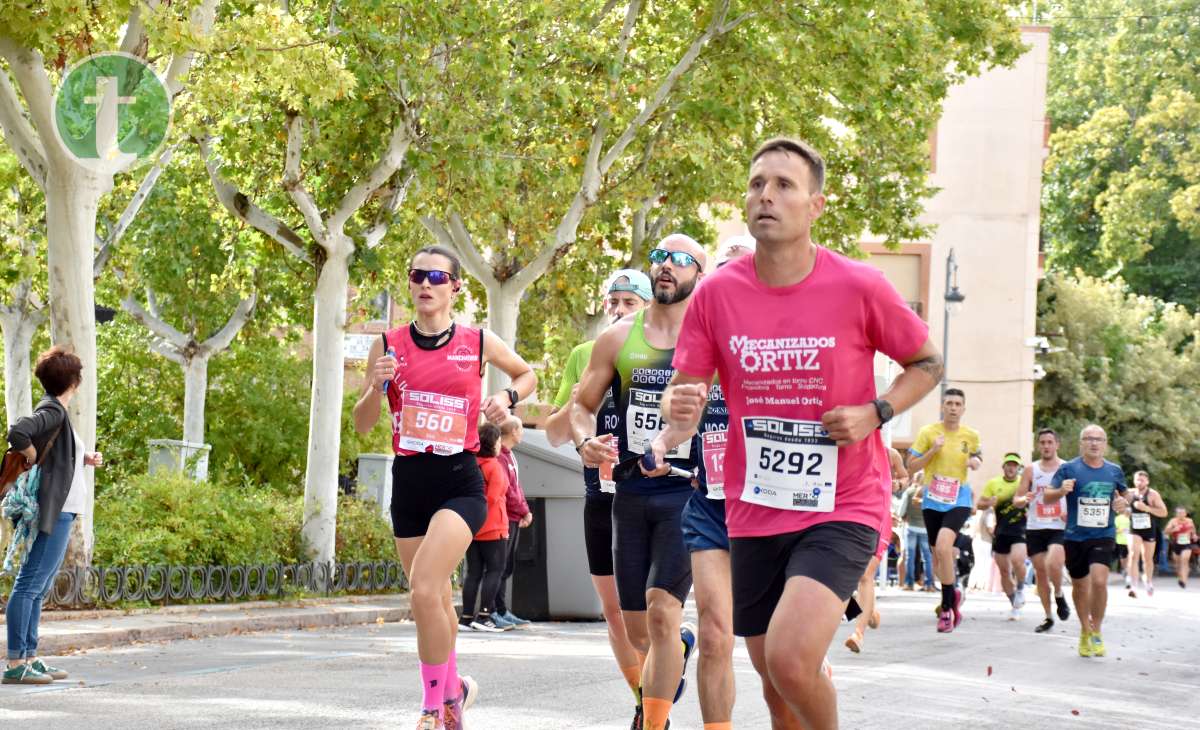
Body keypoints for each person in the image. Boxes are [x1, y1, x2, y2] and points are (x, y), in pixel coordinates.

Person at [660, 137, 942, 730]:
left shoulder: (858, 285)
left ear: (815, 205)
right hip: (755, 505)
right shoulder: (716, 293)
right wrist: (676, 414)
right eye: (758, 183)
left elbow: (928, 363)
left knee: (790, 661)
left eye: (784, 185)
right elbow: (684, 397)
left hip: (843, 502)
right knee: (774, 684)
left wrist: (877, 412)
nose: (767, 195)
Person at [352, 245, 537, 730]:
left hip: (460, 480)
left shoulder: (475, 341)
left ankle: (432, 709)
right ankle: (455, 693)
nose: (426, 284)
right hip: (409, 481)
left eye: (437, 276)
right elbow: (362, 425)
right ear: (410, 284)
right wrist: (375, 386)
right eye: (417, 276)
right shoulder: (388, 345)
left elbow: (527, 373)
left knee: (424, 587)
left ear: (455, 287)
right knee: (428, 599)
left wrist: (505, 396)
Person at [569, 235, 707, 730]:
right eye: (659, 257)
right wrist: (586, 443)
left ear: (699, 275)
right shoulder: (618, 338)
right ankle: (677, 655)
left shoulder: (712, 337)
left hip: (687, 493)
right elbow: (581, 408)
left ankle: (655, 723)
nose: (667, 265)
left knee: (662, 610)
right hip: (629, 492)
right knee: (639, 631)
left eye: (681, 259)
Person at [543, 269, 652, 716]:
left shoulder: (662, 352)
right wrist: (577, 401)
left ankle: (658, 697)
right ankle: (644, 703)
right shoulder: (586, 354)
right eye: (614, 302)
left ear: (648, 306)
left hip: (653, 497)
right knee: (614, 613)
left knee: (652, 611)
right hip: (600, 497)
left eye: (631, 302)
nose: (620, 310)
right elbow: (552, 434)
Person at [4, 346, 102, 685]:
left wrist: (83, 457)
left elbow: (56, 453)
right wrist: (31, 456)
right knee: (30, 583)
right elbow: (18, 433)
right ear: (73, 381)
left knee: (40, 585)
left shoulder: (57, 411)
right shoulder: (53, 410)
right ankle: (16, 661)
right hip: (54, 510)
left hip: (64, 509)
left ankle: (29, 656)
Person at [1042, 424, 1127, 658]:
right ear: (1081, 443)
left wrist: (1124, 503)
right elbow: (1047, 496)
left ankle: (1097, 630)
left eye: (1098, 439)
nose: (1094, 443)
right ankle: (1084, 629)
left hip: (1103, 534)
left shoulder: (1114, 471)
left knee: (1099, 580)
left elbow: (1125, 494)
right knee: (1080, 585)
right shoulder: (1068, 468)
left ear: (1105, 443)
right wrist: (1060, 491)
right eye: (1089, 438)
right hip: (1074, 536)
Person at [908, 388, 982, 632]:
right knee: (939, 559)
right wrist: (932, 451)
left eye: (957, 404)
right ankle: (954, 595)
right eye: (949, 403)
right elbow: (911, 466)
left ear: (963, 409)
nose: (952, 407)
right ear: (942, 406)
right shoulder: (928, 433)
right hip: (932, 500)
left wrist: (974, 462)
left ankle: (947, 608)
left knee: (943, 545)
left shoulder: (970, 435)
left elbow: (978, 458)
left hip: (959, 498)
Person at [845, 450, 907, 654]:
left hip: (879, 520)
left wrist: (898, 484)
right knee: (840, 578)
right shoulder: (849, 448)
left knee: (865, 575)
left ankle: (858, 633)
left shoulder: (891, 455)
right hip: (848, 518)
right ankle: (868, 613)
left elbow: (904, 477)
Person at [1015, 428, 1070, 632]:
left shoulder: (1067, 468)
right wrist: (1023, 499)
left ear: (1057, 445)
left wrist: (1070, 514)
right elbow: (1017, 500)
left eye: (1050, 442)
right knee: (1040, 573)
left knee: (1053, 563)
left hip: (1059, 525)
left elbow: (1075, 496)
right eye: (1043, 442)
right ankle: (1048, 617)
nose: (1046, 446)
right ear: (1039, 446)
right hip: (1035, 526)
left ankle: (1059, 594)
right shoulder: (1031, 470)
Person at [459, 423, 510, 633]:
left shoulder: (471, 464)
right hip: (493, 526)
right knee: (495, 570)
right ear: (493, 443)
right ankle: (485, 615)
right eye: (498, 440)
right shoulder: (493, 466)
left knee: (474, 573)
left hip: (472, 527)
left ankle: (466, 617)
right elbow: (494, 496)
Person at [977, 453, 1029, 620]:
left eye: (1014, 465)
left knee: (1017, 560)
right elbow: (979, 504)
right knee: (1004, 571)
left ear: (1018, 468)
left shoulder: (1024, 483)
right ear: (1004, 467)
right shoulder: (994, 483)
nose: (1011, 468)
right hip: (1001, 531)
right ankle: (1014, 603)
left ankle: (1021, 588)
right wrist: (989, 503)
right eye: (1008, 464)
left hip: (1020, 529)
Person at [491, 416, 531, 630]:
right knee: (499, 566)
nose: (522, 432)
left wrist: (524, 511)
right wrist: (523, 510)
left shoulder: (510, 456)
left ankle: (502, 610)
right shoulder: (500, 458)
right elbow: (507, 490)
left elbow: (517, 487)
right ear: (514, 431)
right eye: (521, 428)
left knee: (506, 567)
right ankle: (494, 611)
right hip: (503, 518)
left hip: (514, 517)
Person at [1125, 470, 1167, 597]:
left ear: (1147, 482)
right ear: (1134, 481)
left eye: (1142, 480)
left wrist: (1147, 508)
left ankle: (1148, 581)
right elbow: (1120, 508)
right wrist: (1125, 511)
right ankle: (1133, 586)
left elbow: (1164, 512)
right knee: (1133, 555)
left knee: (1147, 559)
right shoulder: (1129, 493)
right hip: (1134, 529)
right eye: (1137, 479)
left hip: (1149, 529)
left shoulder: (1153, 495)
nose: (1139, 482)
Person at [897, 472, 935, 592]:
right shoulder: (930, 493)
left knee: (910, 556)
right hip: (925, 528)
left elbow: (901, 511)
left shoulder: (909, 492)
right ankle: (929, 584)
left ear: (915, 479)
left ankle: (909, 584)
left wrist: (904, 517)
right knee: (927, 557)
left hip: (911, 526)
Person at [1164, 507, 1196, 588]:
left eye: (1182, 513)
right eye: (1179, 513)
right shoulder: (1173, 521)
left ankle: (1184, 581)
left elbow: (1193, 530)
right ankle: (1180, 578)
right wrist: (1173, 529)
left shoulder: (1189, 521)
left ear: (1185, 514)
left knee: (1184, 560)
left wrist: (1194, 535)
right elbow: (1166, 531)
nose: (1181, 514)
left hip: (1187, 543)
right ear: (1176, 514)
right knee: (1178, 564)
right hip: (1176, 544)